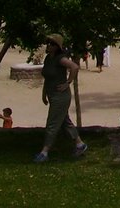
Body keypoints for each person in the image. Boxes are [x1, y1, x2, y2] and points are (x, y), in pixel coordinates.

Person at [33, 34, 87, 163]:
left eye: (52, 44)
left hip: (60, 96)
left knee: (52, 123)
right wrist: (44, 93)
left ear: (57, 47)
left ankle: (44, 151)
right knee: (64, 121)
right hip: (52, 94)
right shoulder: (48, 59)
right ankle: (80, 144)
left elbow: (74, 67)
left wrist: (68, 82)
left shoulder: (60, 59)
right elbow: (47, 77)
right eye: (48, 43)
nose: (49, 46)